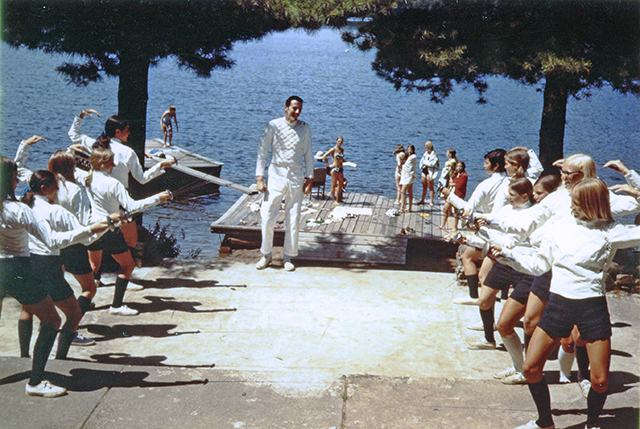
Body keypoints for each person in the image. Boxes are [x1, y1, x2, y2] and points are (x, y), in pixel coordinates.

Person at [492, 178, 640, 429]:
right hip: (559, 304)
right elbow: (539, 264)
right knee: (530, 368)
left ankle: (591, 423)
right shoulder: (559, 226)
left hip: (592, 309)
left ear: (592, 204)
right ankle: (545, 423)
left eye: (575, 202)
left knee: (600, 380)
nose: (570, 207)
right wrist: (509, 256)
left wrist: (637, 190)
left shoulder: (612, 232)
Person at [0, 156, 108, 397]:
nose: (19, 180)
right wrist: (90, 229)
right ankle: (36, 382)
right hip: (15, 270)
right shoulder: (17, 209)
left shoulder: (19, 205)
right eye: (16, 176)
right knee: (51, 321)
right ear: (9, 180)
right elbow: (53, 241)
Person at [68, 109, 175, 284]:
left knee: (97, 239)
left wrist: (79, 116)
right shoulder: (127, 152)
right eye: (127, 130)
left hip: (98, 199)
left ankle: (96, 278)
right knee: (131, 240)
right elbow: (142, 179)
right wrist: (160, 165)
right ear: (118, 132)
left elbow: (73, 135)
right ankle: (125, 273)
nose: (130, 133)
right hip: (120, 201)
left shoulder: (94, 143)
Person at [84, 148, 172, 315]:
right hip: (109, 229)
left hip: (93, 228)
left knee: (94, 266)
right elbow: (132, 207)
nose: (115, 165)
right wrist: (157, 199)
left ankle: (84, 302)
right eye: (111, 162)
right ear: (102, 164)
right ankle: (116, 306)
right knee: (127, 265)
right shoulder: (113, 183)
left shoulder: (88, 177)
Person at [255, 96, 314, 272]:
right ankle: (266, 254)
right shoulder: (273, 125)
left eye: (299, 109)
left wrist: (309, 179)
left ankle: (288, 256)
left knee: (293, 218)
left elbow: (308, 155)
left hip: (296, 177)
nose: (297, 112)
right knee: (267, 216)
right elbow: (262, 152)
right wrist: (259, 178)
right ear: (286, 107)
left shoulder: (304, 128)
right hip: (275, 175)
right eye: (294, 108)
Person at [441, 149, 507, 304]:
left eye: (486, 163)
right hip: (505, 231)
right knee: (502, 264)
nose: (483, 166)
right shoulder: (513, 181)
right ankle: (503, 298)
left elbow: (468, 209)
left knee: (468, 258)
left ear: (495, 166)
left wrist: (448, 195)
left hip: (489, 231)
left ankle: (476, 298)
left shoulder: (487, 184)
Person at [440, 161, 468, 231]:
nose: (458, 168)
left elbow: (460, 185)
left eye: (460, 166)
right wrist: (451, 182)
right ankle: (442, 225)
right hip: (452, 193)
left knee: (456, 212)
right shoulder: (455, 173)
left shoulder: (464, 175)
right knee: (445, 208)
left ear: (463, 167)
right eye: (458, 166)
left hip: (459, 195)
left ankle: (455, 227)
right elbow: (449, 182)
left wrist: (452, 183)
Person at [322, 136, 346, 205]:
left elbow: (341, 159)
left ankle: (338, 199)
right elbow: (324, 156)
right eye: (339, 141)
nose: (340, 143)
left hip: (340, 168)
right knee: (334, 184)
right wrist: (329, 164)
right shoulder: (333, 149)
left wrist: (346, 161)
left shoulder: (341, 150)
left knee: (341, 184)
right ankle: (334, 200)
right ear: (336, 141)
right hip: (334, 169)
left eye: (341, 141)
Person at [417, 141, 439, 206]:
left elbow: (432, 163)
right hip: (424, 170)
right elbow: (421, 161)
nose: (425, 148)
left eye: (426, 147)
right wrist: (423, 164)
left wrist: (425, 163)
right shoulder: (425, 153)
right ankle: (422, 200)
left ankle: (431, 201)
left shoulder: (434, 154)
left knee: (430, 186)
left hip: (430, 171)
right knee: (424, 186)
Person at [399, 145, 417, 213]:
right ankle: (409, 208)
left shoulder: (413, 157)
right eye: (408, 149)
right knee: (409, 191)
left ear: (413, 150)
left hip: (409, 176)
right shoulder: (409, 156)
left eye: (410, 149)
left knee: (403, 191)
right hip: (406, 175)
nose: (409, 151)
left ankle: (402, 208)